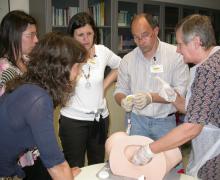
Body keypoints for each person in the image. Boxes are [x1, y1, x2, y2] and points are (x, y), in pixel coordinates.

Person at [131, 14, 220, 180]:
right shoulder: (215, 59)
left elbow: (192, 127)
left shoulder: (209, 70)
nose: (177, 50)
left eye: (180, 44)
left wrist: (149, 150)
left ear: (197, 41)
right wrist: (173, 98)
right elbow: (200, 109)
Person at [0, 32, 87, 179]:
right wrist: (63, 172)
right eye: (77, 67)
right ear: (61, 68)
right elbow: (56, 165)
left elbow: (51, 154)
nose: (79, 73)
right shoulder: (38, 100)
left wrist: (64, 172)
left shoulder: (30, 88)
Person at [59, 12, 121, 168]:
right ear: (72, 36)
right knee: (74, 167)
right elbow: (63, 89)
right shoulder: (64, 55)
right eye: (80, 35)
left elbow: (122, 65)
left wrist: (105, 84)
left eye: (89, 33)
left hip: (99, 119)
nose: (86, 39)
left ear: (95, 34)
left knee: (97, 164)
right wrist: (81, 61)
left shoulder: (102, 51)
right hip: (73, 121)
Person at [114, 13, 189, 140]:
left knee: (168, 159)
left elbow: (181, 93)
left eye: (144, 35)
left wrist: (151, 97)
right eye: (136, 37)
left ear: (156, 30)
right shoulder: (127, 60)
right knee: (136, 158)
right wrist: (122, 100)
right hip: (136, 121)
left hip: (164, 122)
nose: (140, 42)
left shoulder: (176, 56)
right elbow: (120, 90)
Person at [0, 10, 51, 180]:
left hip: (34, 147)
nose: (36, 40)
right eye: (31, 35)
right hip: (15, 155)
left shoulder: (29, 62)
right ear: (14, 35)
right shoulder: (4, 71)